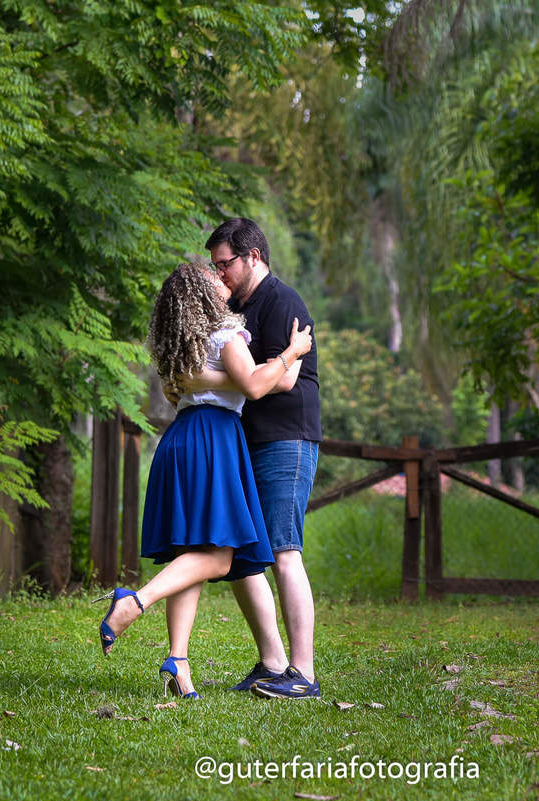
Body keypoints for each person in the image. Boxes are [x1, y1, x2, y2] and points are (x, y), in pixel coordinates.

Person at [93, 261, 311, 699]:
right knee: (220, 558)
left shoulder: (184, 348)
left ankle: (178, 661)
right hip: (213, 439)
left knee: (190, 552)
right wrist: (294, 351)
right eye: (213, 276)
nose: (221, 278)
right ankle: (134, 601)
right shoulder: (229, 336)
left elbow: (240, 383)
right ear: (201, 295)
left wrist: (261, 375)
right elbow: (257, 384)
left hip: (181, 438)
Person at [203, 218, 323, 699]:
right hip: (245, 440)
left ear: (253, 256)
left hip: (286, 438)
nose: (220, 274)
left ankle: (304, 673)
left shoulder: (282, 302)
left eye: (225, 263)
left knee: (282, 550)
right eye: (214, 266)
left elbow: (287, 379)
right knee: (242, 557)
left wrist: (247, 375)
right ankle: (273, 662)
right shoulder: (234, 309)